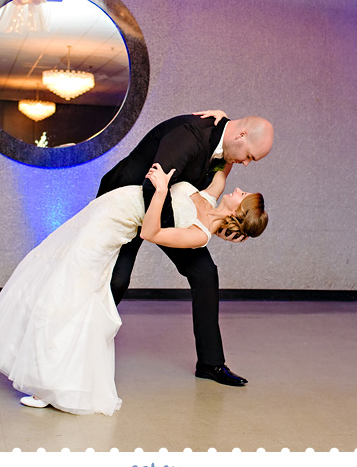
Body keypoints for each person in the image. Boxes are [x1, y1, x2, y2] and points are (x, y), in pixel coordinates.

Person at [0, 161, 268, 416]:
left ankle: (50, 385)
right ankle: (49, 376)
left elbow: (150, 233)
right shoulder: (211, 195)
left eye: (243, 195)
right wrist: (221, 123)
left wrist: (163, 191)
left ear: (237, 213)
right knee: (60, 276)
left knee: (69, 289)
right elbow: (224, 162)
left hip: (113, 225)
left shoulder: (199, 234)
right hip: (105, 209)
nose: (238, 190)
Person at [97, 110, 274, 387]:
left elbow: (217, 174)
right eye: (250, 156)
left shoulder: (224, 144)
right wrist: (179, 233)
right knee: (117, 279)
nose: (246, 164)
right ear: (240, 136)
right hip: (129, 202)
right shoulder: (191, 136)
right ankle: (85, 346)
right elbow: (151, 185)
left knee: (205, 273)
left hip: (169, 212)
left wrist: (200, 229)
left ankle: (210, 364)